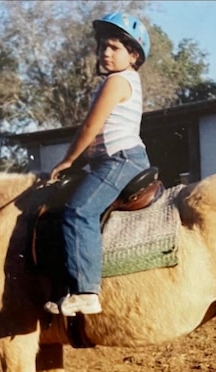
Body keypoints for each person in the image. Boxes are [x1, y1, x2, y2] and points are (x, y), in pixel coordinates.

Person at [44, 12, 152, 317]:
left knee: (79, 211)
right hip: (109, 159)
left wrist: (67, 160)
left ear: (133, 55)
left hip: (121, 159)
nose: (106, 52)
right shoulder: (118, 80)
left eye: (115, 47)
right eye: (103, 46)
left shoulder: (117, 81)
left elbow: (90, 128)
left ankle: (86, 292)